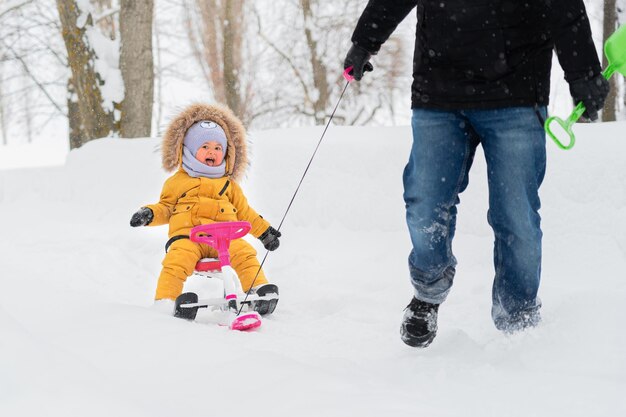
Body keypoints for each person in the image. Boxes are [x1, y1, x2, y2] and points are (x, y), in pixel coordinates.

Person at [344, 0, 609, 347]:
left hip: (517, 91)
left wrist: (584, 74)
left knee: (516, 216)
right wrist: (365, 41)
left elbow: (563, 7)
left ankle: (519, 322)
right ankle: (428, 290)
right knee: (424, 202)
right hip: (439, 90)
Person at [130, 103, 281, 316]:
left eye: (218, 148)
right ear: (190, 150)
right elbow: (165, 208)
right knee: (177, 260)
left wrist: (265, 233)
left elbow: (245, 213)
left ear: (226, 153)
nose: (212, 152)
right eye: (205, 147)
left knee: (245, 252)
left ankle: (258, 290)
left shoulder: (229, 185)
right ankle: (166, 300)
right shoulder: (178, 182)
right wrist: (149, 214)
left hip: (226, 239)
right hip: (189, 238)